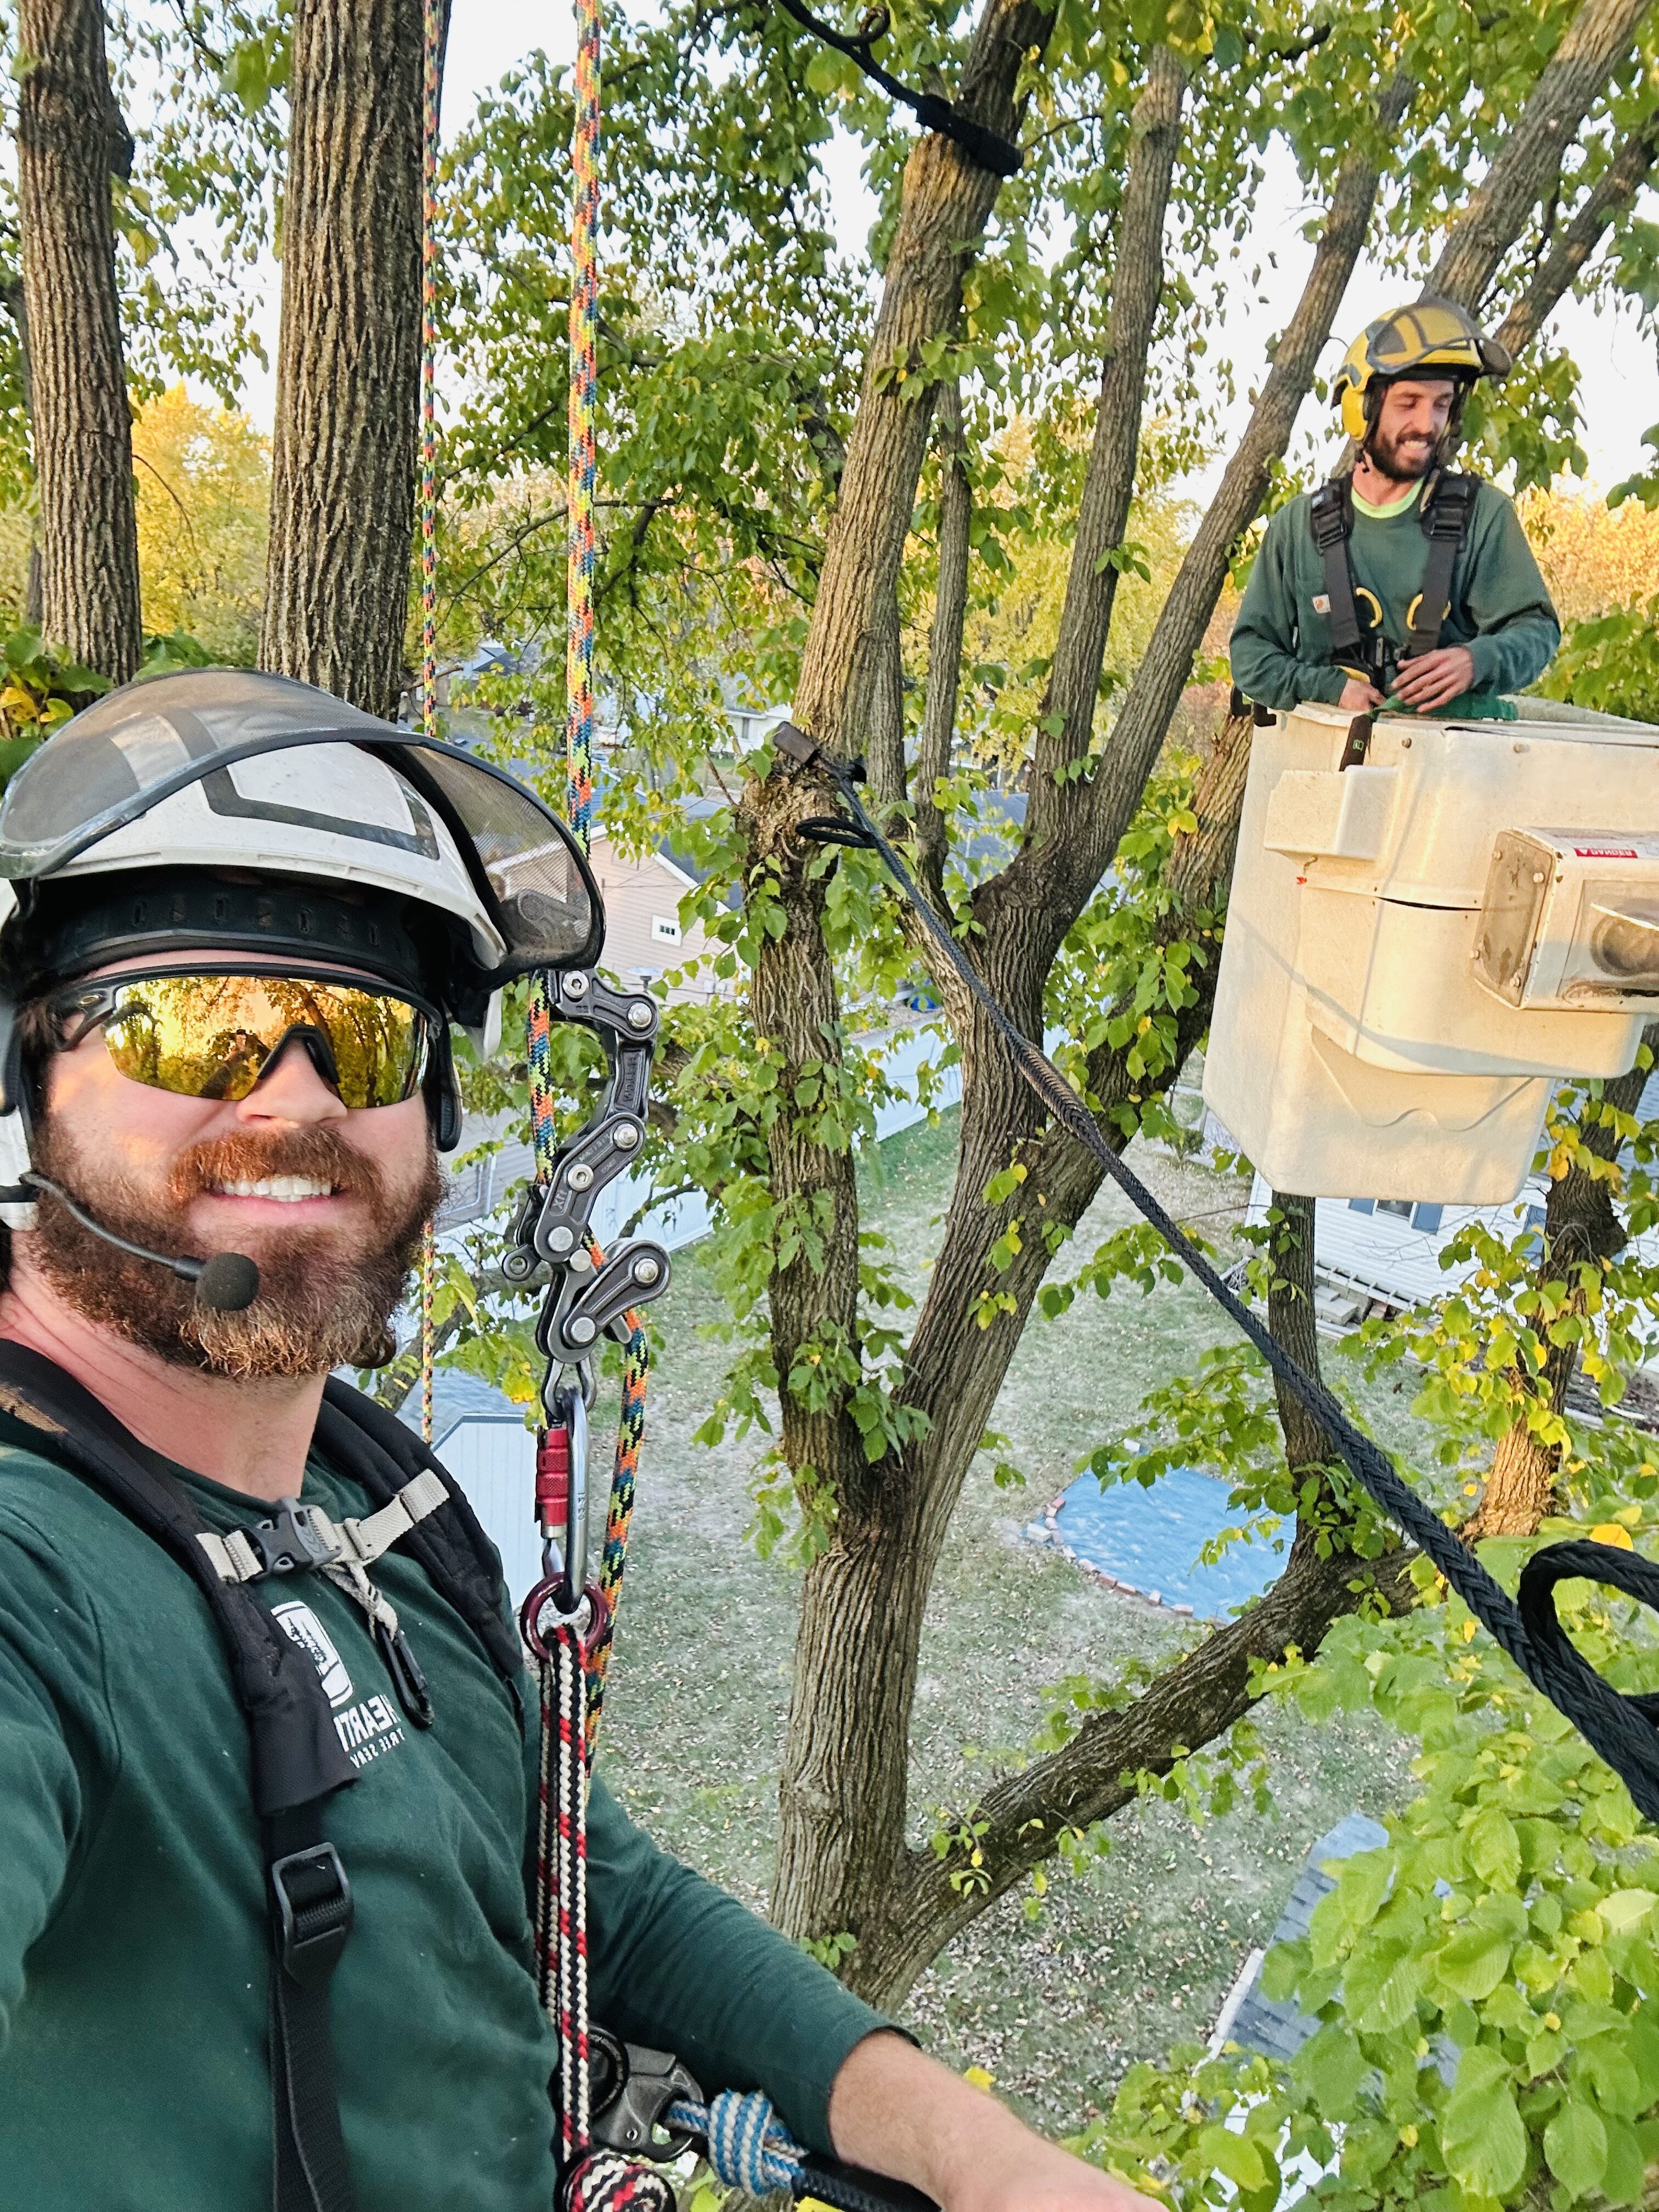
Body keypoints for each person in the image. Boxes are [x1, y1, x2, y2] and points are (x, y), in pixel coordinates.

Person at [0, 668, 1154, 2212]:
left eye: (358, 1033)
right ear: (35, 1081)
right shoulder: (35, 1574)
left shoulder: (372, 1503)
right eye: (191, 1029)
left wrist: (994, 2169)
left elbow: (606, 1903)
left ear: (434, 1119)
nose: (289, 1102)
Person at [1229, 297, 1560, 718]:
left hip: (1456, 764)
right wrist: (1329, 687)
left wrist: (1477, 661)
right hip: (1328, 768)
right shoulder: (1298, 528)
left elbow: (1537, 630)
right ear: (1362, 410)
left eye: (1442, 404)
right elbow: (1250, 655)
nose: (1427, 424)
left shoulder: (1483, 516)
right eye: (1409, 403)